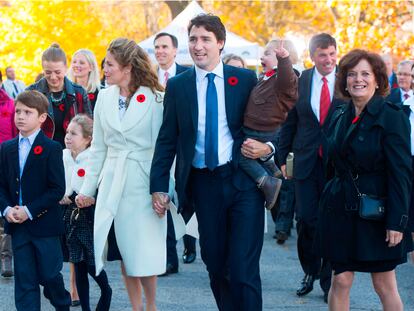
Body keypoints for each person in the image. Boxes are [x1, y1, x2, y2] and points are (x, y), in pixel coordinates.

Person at [150, 14, 273, 310]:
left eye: (205, 39)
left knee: (243, 270)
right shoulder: (179, 86)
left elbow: (272, 122)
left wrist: (268, 147)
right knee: (216, 267)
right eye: (193, 39)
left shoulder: (243, 80)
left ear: (220, 43)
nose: (198, 46)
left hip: (242, 182)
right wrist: (158, 186)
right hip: (203, 185)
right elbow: (167, 140)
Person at [76, 38, 166, 311]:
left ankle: (151, 306)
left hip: (143, 183)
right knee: (125, 250)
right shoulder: (104, 97)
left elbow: (164, 150)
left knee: (144, 252)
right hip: (113, 183)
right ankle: (136, 307)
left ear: (127, 67)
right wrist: (87, 189)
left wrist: (163, 189)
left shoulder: (156, 98)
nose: (104, 68)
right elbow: (99, 149)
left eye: (110, 64)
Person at [319, 49, 412, 311]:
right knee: (341, 281)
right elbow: (331, 162)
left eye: (364, 74)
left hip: (377, 213)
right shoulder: (339, 113)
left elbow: (401, 173)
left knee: (384, 284)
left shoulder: (393, 116)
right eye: (351, 74)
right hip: (340, 211)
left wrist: (397, 221)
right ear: (344, 80)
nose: (357, 79)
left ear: (378, 80)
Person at [278, 33, 342, 302]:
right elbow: (289, 121)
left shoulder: (348, 79)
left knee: (333, 223)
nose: (328, 60)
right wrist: (281, 157)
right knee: (306, 220)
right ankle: (310, 271)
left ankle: (329, 281)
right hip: (305, 162)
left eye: (332, 54)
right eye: (322, 55)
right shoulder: (301, 80)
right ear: (312, 56)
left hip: (338, 165)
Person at [0, 90, 71, 310]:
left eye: (27, 112)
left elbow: (57, 189)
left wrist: (28, 210)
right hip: (18, 227)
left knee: (50, 275)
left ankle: (62, 302)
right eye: (18, 111)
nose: (20, 116)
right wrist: (6, 209)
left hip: (45, 226)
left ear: (42, 118)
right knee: (25, 281)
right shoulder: (7, 148)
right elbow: (1, 185)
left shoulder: (52, 148)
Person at [153, 32, 197, 271]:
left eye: (164, 47)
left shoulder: (187, 76)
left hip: (187, 146)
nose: (160, 51)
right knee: (166, 199)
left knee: (187, 195)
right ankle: (169, 256)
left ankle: (190, 244)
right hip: (163, 145)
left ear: (174, 50)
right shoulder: (149, 78)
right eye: (157, 47)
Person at [60, 114, 112, 311]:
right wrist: (61, 196)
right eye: (67, 132)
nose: (68, 137)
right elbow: (59, 183)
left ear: (88, 138)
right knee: (77, 264)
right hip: (69, 216)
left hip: (89, 217)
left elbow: (103, 188)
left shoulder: (93, 159)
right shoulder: (64, 156)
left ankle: (106, 291)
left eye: (74, 133)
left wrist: (90, 197)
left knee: (91, 263)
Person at [240, 39, 298, 209]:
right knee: (251, 155)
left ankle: (267, 182)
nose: (261, 57)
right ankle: (271, 168)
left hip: (263, 130)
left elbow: (287, 79)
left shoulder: (283, 77)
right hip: (256, 127)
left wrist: (284, 59)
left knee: (242, 156)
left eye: (267, 53)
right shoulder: (266, 77)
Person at [27, 43, 92, 148]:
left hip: (72, 155)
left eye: (57, 72)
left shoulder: (79, 93)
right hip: (40, 152)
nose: (53, 77)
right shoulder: (31, 93)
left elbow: (89, 128)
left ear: (66, 68)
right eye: (48, 72)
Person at [0, 70, 16, 278]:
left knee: (5, 209)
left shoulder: (10, 104)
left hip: (4, 161)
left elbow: (15, 134)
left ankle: (6, 257)